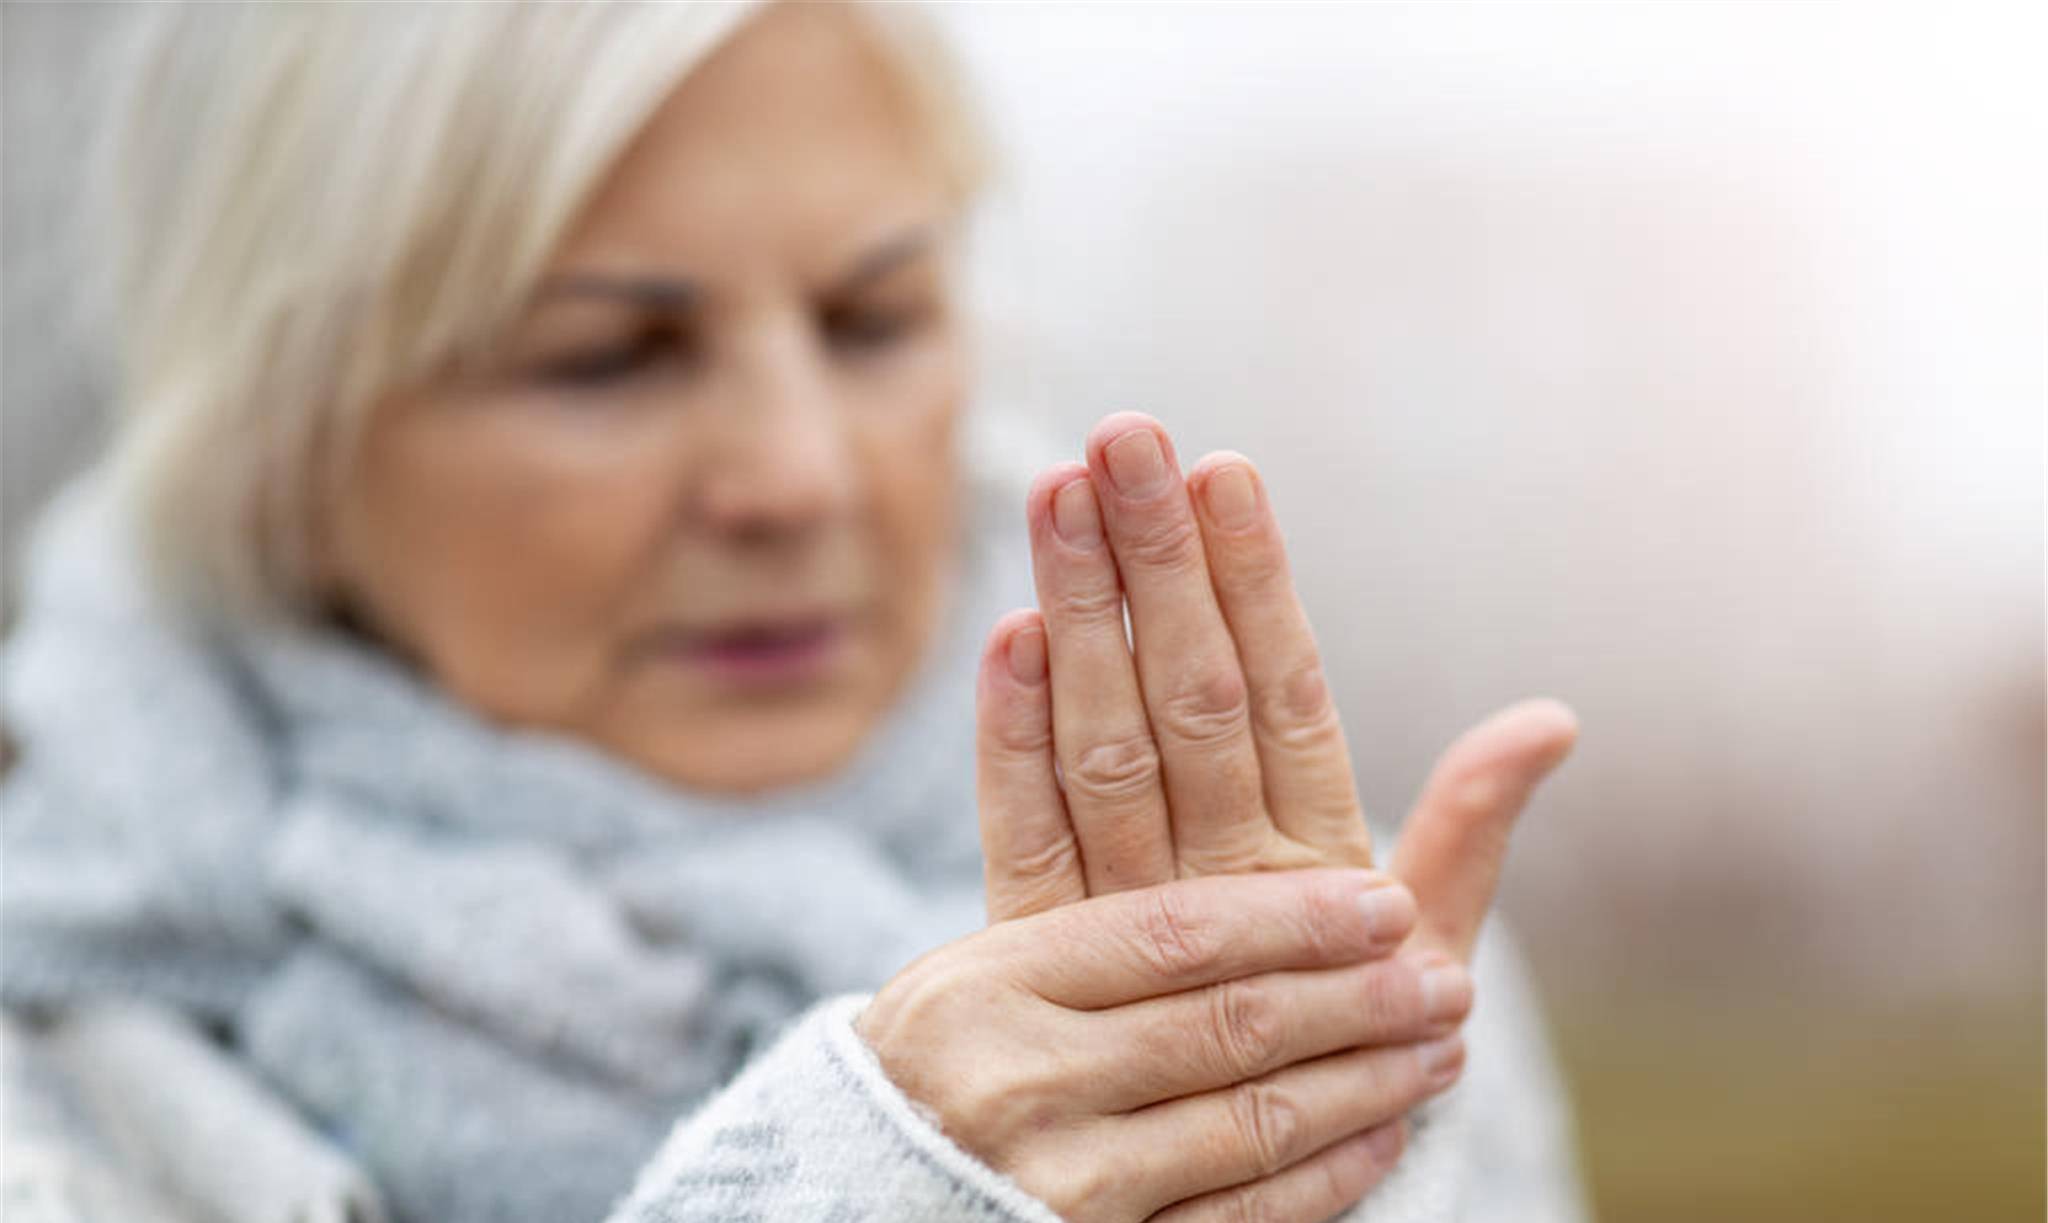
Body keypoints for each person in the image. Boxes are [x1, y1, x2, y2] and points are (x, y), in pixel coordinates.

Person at [0, 4, 1586, 1221]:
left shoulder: (1326, 977)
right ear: (286, 442)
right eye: (605, 361)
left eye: (871, 320)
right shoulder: (66, 1062)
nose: (796, 476)